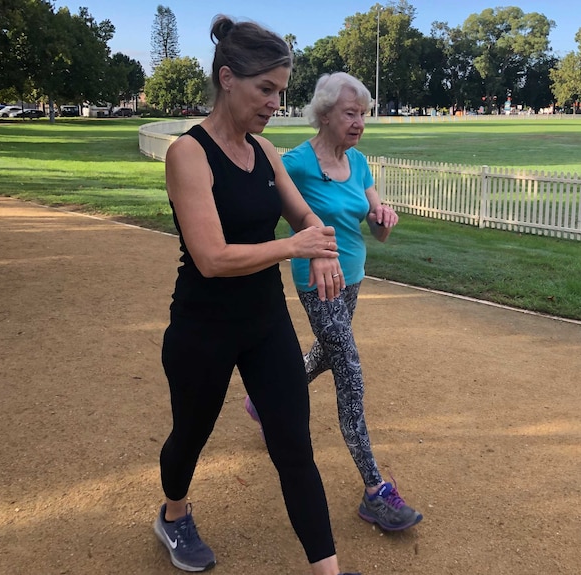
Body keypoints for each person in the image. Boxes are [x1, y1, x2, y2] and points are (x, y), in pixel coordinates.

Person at [154, 16, 359, 575]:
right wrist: (294, 247)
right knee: (189, 436)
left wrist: (318, 244)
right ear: (227, 78)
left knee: (294, 444)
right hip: (203, 325)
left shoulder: (266, 153)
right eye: (265, 89)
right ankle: (173, 514)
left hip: (265, 322)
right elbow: (212, 257)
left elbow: (304, 213)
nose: (275, 103)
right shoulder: (188, 154)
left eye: (281, 91)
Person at [245, 72, 422, 532]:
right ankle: (374, 491)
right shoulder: (298, 163)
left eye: (363, 113)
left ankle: (262, 401)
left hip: (353, 277)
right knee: (350, 372)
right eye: (350, 113)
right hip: (316, 282)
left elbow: (377, 228)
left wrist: (385, 218)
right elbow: (278, 213)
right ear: (324, 114)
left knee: (328, 353)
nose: (359, 121)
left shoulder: (359, 162)